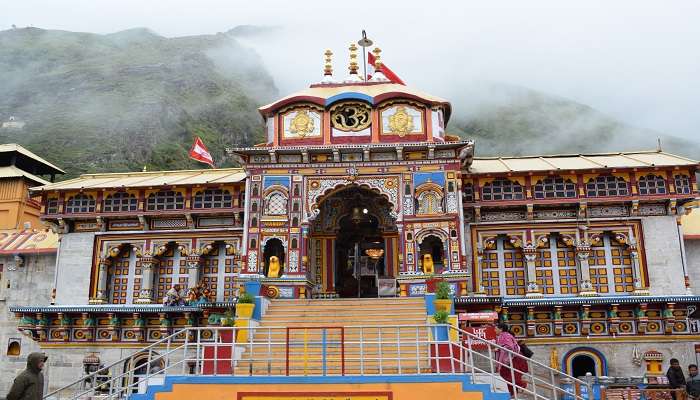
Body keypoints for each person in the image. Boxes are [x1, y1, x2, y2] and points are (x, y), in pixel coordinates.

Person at [494, 323, 526, 398]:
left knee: (507, 376)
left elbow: (509, 346)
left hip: (510, 360)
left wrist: (499, 348)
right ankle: (512, 394)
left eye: (496, 328)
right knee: (507, 376)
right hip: (508, 360)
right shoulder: (503, 336)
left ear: (501, 329)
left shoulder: (505, 336)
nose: (494, 330)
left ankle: (522, 384)